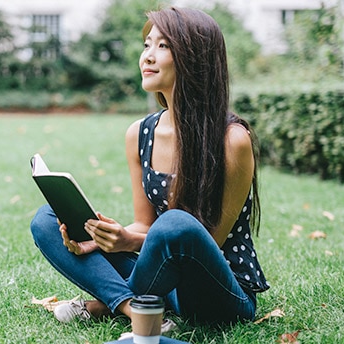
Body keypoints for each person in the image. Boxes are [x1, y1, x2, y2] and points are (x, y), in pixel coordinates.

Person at [30, 6, 269, 326]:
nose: (148, 56)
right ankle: (134, 308)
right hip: (162, 276)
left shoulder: (232, 140)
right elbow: (144, 226)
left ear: (195, 57)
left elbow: (206, 241)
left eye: (163, 46)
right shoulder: (140, 134)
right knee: (47, 219)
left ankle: (107, 303)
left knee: (175, 225)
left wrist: (131, 242)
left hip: (220, 290)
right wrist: (109, 236)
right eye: (146, 45)